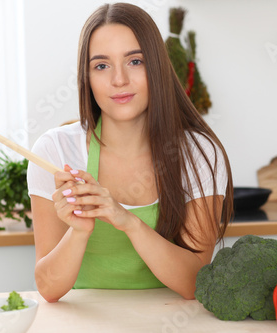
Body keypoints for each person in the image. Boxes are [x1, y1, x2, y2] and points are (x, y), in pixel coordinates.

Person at [27, 2, 233, 303]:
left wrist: (127, 221)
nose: (119, 80)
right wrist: (79, 231)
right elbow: (48, 288)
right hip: (85, 322)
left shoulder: (198, 153)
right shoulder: (55, 151)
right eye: (101, 65)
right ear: (87, 78)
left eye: (135, 61)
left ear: (157, 67)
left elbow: (195, 283)